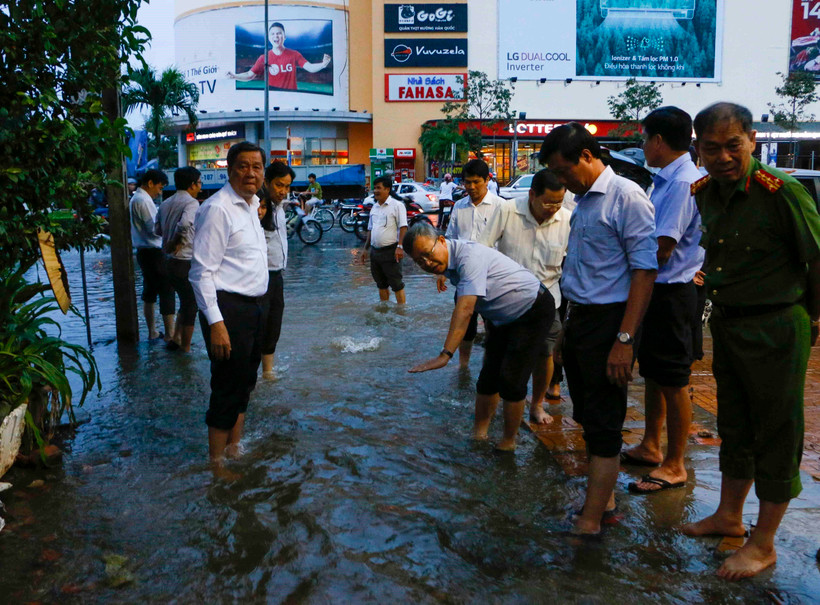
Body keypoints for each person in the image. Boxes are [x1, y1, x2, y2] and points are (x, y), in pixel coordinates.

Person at [682, 102, 820, 580]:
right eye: (711, 147)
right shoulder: (705, 192)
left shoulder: (782, 192)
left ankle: (763, 544)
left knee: (777, 431)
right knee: (736, 423)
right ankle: (729, 516)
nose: (722, 157)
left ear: (752, 141)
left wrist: (812, 324)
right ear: (697, 149)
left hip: (777, 325)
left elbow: (817, 260)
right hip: (730, 322)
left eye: (732, 145)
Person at [539, 122, 657, 535]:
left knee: (605, 420)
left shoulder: (626, 197)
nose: (563, 181)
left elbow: (644, 271)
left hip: (612, 322)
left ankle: (591, 520)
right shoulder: (585, 201)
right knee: (587, 413)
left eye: (565, 170)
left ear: (587, 157)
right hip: (581, 318)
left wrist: (624, 340)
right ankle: (602, 499)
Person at [406, 222, 555, 451]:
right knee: (488, 378)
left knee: (512, 380)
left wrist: (445, 355)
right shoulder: (449, 260)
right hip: (502, 318)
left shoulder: (468, 257)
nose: (426, 263)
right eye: (419, 261)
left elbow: (465, 310)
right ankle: (479, 434)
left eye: (428, 254)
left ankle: (508, 443)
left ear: (442, 241)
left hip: (532, 310)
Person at [622, 107, 705, 495]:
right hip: (663, 291)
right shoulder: (669, 178)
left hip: (671, 292)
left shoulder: (681, 182)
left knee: (674, 380)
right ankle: (651, 445)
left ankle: (675, 463)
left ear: (657, 141)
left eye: (644, 139)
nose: (642, 147)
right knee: (655, 374)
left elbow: (662, 248)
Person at [189, 142, 269, 475]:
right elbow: (200, 273)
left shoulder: (251, 205)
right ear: (229, 169)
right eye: (243, 166)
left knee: (245, 382)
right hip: (228, 309)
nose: (251, 173)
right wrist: (216, 324)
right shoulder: (218, 208)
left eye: (257, 166)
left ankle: (235, 448)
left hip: (254, 307)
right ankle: (216, 463)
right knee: (226, 385)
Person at [478, 168, 571, 425]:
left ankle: (537, 405)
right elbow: (483, 250)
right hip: (506, 300)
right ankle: (492, 402)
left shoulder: (568, 220)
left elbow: (571, 262)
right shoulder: (508, 211)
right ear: (532, 195)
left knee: (545, 353)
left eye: (558, 202)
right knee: (496, 351)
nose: (553, 208)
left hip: (548, 300)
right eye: (548, 202)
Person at [443, 159, 504, 369]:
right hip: (464, 279)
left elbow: (508, 244)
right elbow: (450, 240)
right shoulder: (459, 206)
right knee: (464, 325)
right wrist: (443, 271)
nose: (471, 187)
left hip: (493, 280)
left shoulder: (501, 207)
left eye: (476, 182)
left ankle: (492, 365)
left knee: (494, 326)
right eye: (467, 182)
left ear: (487, 180)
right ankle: (463, 367)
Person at [155, 166, 203, 352]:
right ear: (192, 184)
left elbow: (156, 230)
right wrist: (176, 241)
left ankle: (176, 338)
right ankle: (186, 348)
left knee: (185, 300)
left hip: (168, 261)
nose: (200, 186)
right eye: (199, 183)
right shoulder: (191, 203)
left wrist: (169, 239)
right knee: (191, 304)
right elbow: (184, 224)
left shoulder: (165, 203)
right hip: (184, 260)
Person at [130, 169, 175, 342]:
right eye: (160, 187)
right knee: (166, 290)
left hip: (144, 252)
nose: (160, 192)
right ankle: (169, 335)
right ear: (150, 183)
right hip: (154, 252)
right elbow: (155, 229)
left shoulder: (137, 198)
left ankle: (153, 332)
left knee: (149, 292)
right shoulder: (143, 200)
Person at [259, 161, 293, 380]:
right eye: (279, 185)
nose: (283, 191)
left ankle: (267, 372)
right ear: (267, 182)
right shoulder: (260, 208)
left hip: (276, 275)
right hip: (259, 277)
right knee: (259, 325)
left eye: (287, 186)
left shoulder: (280, 209)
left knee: (273, 324)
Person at [227, 22, 331, 91]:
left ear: (284, 36)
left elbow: (310, 67)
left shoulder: (294, 54)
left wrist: (323, 64)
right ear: (269, 38)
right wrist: (234, 76)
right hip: (273, 99)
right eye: (272, 34)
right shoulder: (264, 58)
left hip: (292, 97)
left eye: (279, 33)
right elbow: (250, 75)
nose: (276, 36)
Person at [361, 175, 408, 304]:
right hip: (375, 253)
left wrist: (400, 246)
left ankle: (401, 313)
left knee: (397, 285)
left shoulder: (397, 206)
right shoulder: (374, 208)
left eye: (378, 188)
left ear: (387, 189)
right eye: (374, 188)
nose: (375, 191)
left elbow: (403, 227)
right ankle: (384, 310)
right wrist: (365, 249)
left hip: (391, 252)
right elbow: (370, 229)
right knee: (381, 285)